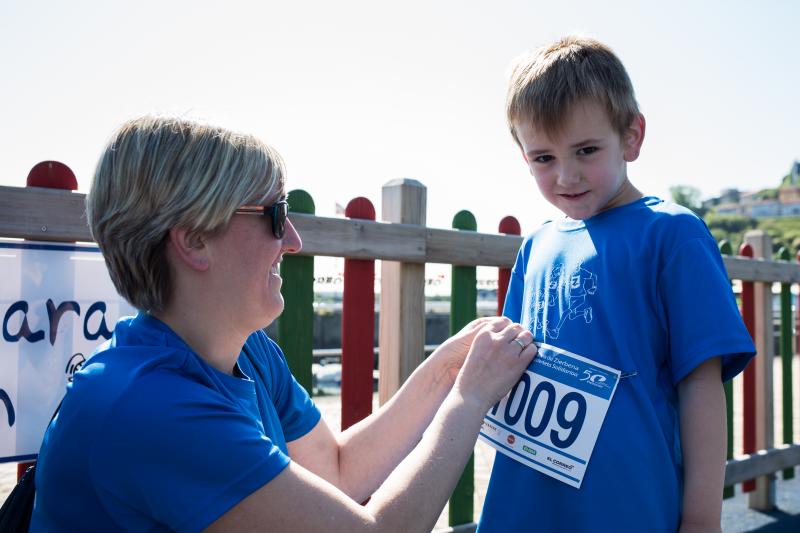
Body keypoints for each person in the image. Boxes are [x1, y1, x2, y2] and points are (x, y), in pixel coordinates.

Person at [29, 116, 538, 532]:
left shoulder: (245, 352)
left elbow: (339, 469)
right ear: (194, 240)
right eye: (275, 214)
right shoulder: (150, 408)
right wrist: (468, 400)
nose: (292, 239)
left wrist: (447, 367)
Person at [478, 36, 756, 533]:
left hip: (629, 506)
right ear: (523, 154)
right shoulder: (535, 247)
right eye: (543, 158)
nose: (566, 174)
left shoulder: (672, 235)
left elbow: (701, 384)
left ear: (631, 137)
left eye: (586, 150)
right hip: (523, 505)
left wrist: (701, 519)